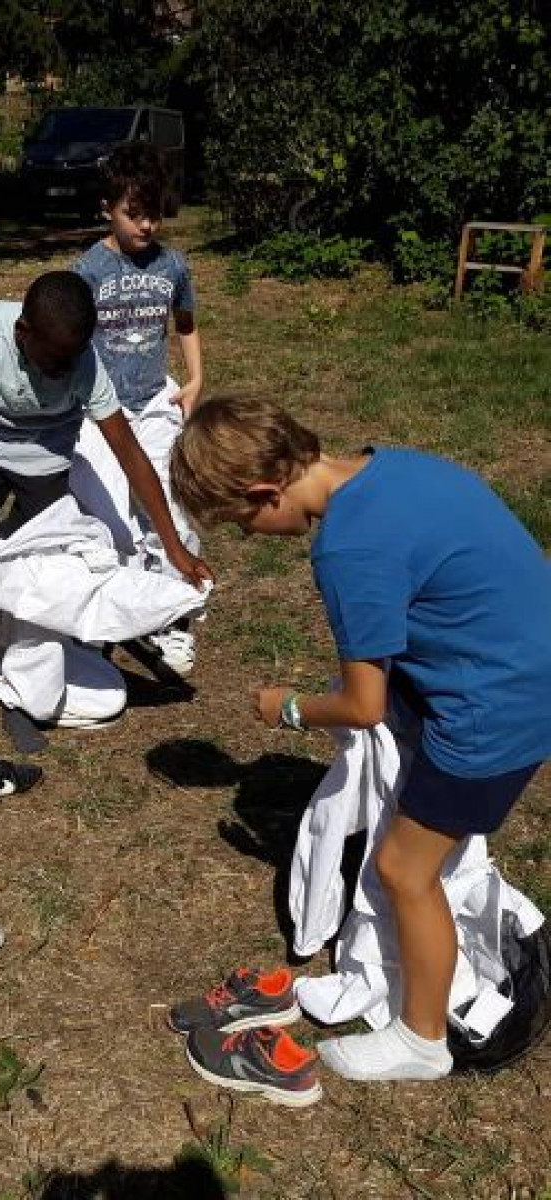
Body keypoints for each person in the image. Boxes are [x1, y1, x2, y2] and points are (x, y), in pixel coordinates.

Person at [170, 394, 551, 1082]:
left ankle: (421, 1038)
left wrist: (287, 707)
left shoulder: (345, 547)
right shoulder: (398, 466)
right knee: (418, 850)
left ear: (264, 491)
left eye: (243, 523)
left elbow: (363, 704)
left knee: (405, 870)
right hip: (531, 656)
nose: (253, 538)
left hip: (500, 707)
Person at [0, 270, 210, 586]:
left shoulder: (83, 361)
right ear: (22, 332)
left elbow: (128, 451)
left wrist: (174, 548)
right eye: (55, 361)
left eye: (75, 357)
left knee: (50, 572)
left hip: (48, 461)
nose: (66, 370)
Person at [70, 143, 204, 674]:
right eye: (134, 214)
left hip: (154, 401)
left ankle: (172, 616)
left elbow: (186, 322)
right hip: (101, 409)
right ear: (107, 207)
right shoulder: (88, 269)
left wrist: (195, 379)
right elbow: (71, 339)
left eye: (154, 213)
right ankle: (116, 608)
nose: (146, 225)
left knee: (170, 502)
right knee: (107, 511)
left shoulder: (173, 264)